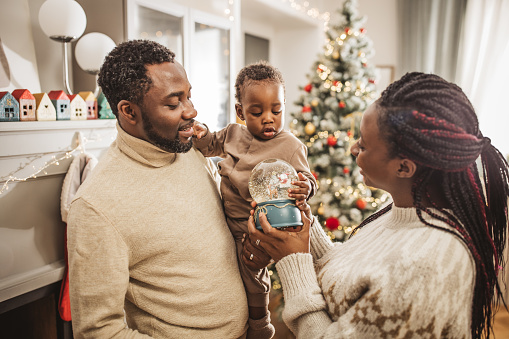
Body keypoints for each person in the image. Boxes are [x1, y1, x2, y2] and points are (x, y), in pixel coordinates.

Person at [243, 72, 509, 338]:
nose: (353, 148)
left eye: (365, 145)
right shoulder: (401, 210)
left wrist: (292, 262)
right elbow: (350, 277)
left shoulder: (426, 269)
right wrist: (304, 225)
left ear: (404, 167)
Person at [66, 40, 249, 338]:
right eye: (173, 103)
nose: (191, 111)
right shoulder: (96, 206)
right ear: (129, 111)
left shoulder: (188, 151)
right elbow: (98, 331)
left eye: (189, 96)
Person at [192, 61, 318, 338]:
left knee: (253, 277)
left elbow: (307, 178)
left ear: (284, 105)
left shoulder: (291, 145)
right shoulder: (231, 135)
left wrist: (304, 187)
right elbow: (208, 144)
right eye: (257, 112)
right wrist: (200, 132)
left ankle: (261, 324)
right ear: (240, 111)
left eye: (276, 110)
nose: (269, 118)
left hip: (257, 226)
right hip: (222, 223)